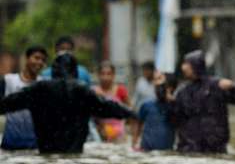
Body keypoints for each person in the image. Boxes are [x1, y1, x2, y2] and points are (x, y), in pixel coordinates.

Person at [0, 54, 137, 154]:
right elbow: (107, 107)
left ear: (53, 70)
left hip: (46, 155)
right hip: (74, 156)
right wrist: (132, 114)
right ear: (75, 71)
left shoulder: (39, 89)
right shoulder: (82, 91)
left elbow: (9, 103)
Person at [173, 50, 235, 153]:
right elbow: (174, 118)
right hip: (189, 148)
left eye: (186, 64)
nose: (183, 67)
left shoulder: (217, 85)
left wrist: (233, 87)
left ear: (195, 65)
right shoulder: (182, 92)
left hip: (215, 147)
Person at [1, 45, 48, 150]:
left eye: (43, 60)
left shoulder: (44, 85)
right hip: (10, 144)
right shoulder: (8, 80)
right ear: (27, 59)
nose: (39, 62)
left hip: (35, 146)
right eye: (36, 58)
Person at [132, 72, 178, 151]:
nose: (159, 89)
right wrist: (134, 143)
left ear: (170, 88)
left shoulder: (175, 107)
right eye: (156, 87)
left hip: (166, 151)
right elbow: (138, 125)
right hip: (146, 150)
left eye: (162, 87)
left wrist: (172, 100)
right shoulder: (146, 105)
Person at [93, 61, 131, 142]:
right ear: (98, 75)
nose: (105, 77)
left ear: (113, 75)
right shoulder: (94, 92)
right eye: (102, 74)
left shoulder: (120, 90)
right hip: (99, 134)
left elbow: (130, 111)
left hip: (119, 134)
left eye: (108, 74)